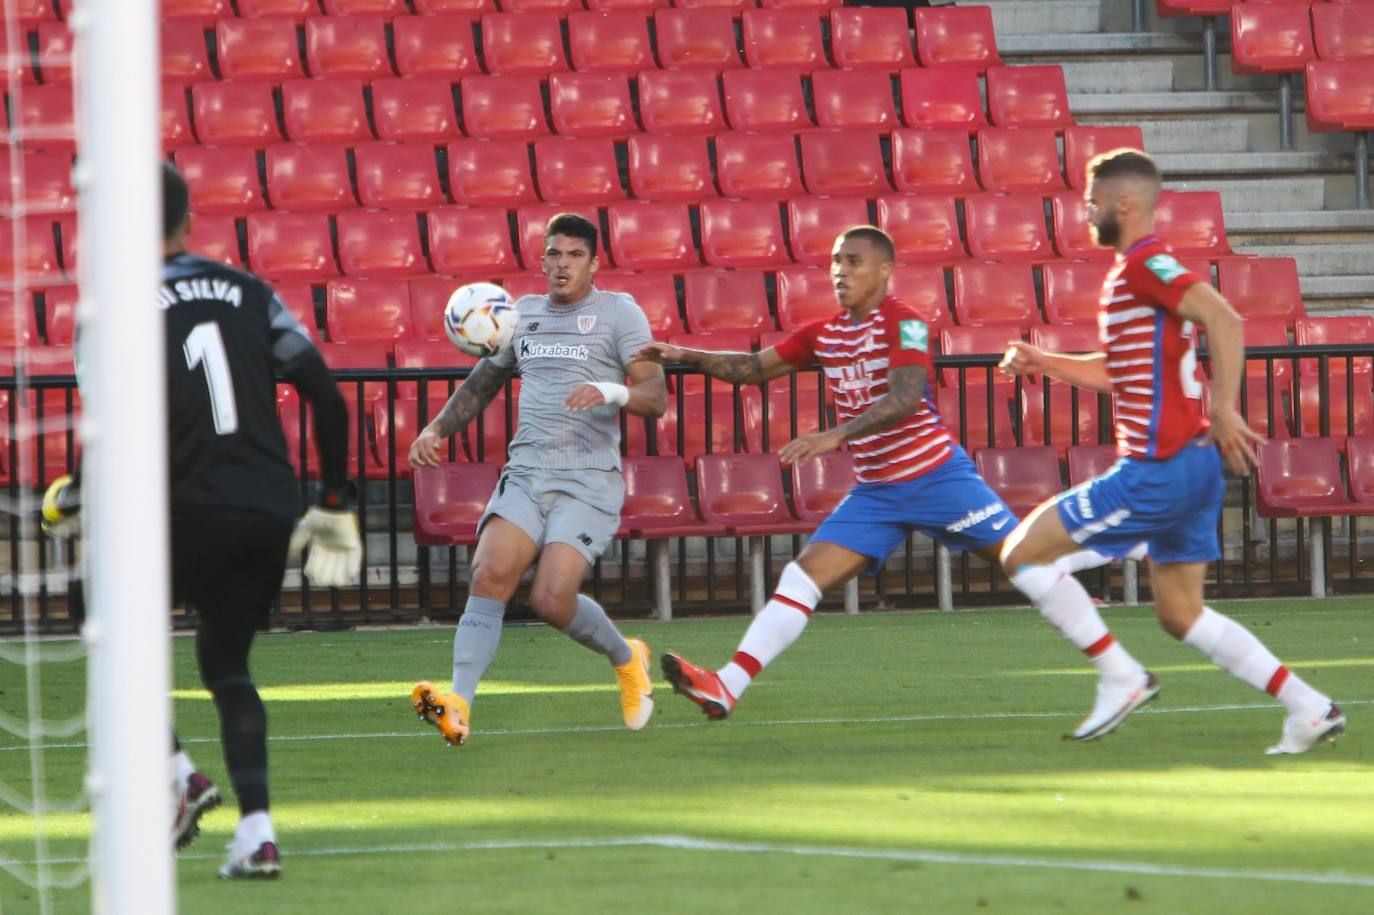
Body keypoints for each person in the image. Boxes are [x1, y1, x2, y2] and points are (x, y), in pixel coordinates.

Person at [630, 225, 1138, 721]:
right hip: (877, 492)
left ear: (885, 269)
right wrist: (688, 356)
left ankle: (1125, 639)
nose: (839, 271)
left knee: (1028, 565)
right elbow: (752, 368)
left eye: (853, 261)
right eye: (835, 261)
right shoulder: (825, 334)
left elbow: (907, 395)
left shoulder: (906, 322)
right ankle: (727, 685)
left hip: (938, 478)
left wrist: (837, 434)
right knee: (802, 577)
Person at [42, 163, 362, 878]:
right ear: (189, 223)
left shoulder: (115, 307)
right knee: (226, 663)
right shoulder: (253, 293)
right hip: (267, 507)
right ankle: (257, 830)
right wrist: (336, 501)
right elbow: (327, 395)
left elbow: (109, 420)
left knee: (94, 612)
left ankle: (178, 773)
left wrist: (81, 494)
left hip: (180, 505)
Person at [998, 149, 1345, 753]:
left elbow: (1225, 319)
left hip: (1157, 470)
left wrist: (1227, 407)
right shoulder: (1138, 274)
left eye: (1093, 199)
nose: (1086, 209)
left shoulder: (1142, 265)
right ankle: (1308, 708)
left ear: (1123, 205)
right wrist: (1044, 361)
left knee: (1021, 553)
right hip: (1194, 468)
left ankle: (1120, 675)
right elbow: (1122, 372)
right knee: (1180, 615)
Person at [407, 213, 665, 747]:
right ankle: (458, 705)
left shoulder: (620, 314)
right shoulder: (520, 315)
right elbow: (482, 384)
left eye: (574, 255)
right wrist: (436, 429)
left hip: (588, 479)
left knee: (550, 600)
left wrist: (611, 391)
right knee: (490, 574)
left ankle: (627, 658)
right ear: (542, 259)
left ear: (595, 263)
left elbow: (655, 397)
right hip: (527, 472)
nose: (562, 264)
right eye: (553, 254)